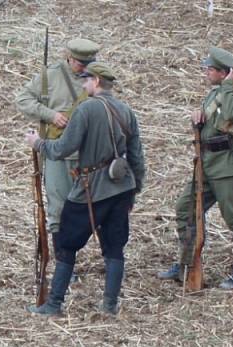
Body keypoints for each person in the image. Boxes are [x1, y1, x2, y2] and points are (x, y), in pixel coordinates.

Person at [25, 62, 145, 316]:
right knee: (114, 247)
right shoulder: (126, 111)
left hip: (91, 189)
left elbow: (63, 148)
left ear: (97, 81)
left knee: (67, 244)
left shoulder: (86, 109)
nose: (83, 84)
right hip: (122, 188)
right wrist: (134, 191)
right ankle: (110, 306)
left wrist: (38, 144)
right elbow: (136, 157)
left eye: (86, 79)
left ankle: (54, 304)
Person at [158, 47, 233, 289]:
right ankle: (185, 264)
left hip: (230, 166)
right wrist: (197, 121)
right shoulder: (215, 94)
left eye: (211, 69)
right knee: (185, 209)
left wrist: (226, 86)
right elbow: (211, 124)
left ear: (225, 73)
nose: (206, 72)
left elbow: (232, 113)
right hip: (206, 164)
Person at [15, 38, 100, 241]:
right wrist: (50, 115)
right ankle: (65, 266)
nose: (85, 69)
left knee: (98, 208)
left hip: (90, 153)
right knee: (59, 211)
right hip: (57, 152)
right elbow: (23, 100)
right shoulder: (50, 76)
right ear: (69, 58)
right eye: (81, 64)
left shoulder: (98, 76)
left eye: (89, 64)